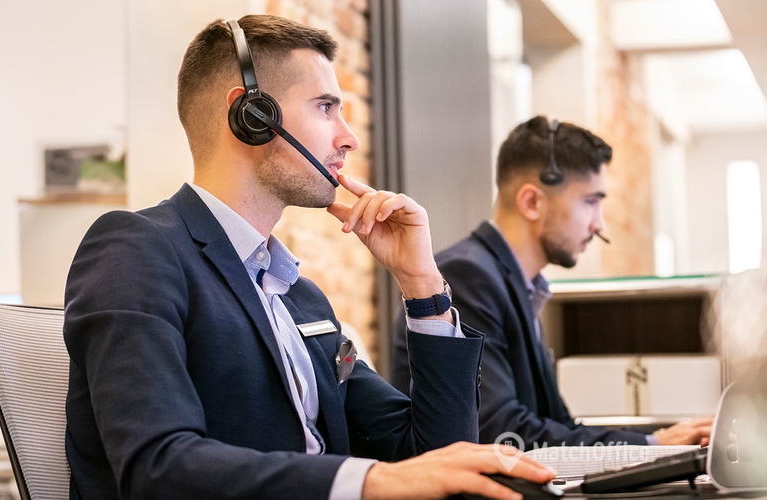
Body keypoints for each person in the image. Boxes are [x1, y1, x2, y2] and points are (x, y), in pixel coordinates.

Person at [62, 15, 555, 500]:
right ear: (252, 116)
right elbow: (158, 468)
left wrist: (421, 284)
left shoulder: (299, 297)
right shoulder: (135, 249)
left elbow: (434, 455)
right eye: (325, 108)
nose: (349, 137)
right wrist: (371, 482)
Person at [390, 116, 713, 450]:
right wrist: (649, 445)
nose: (599, 224)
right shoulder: (466, 277)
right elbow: (500, 433)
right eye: (591, 201)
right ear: (532, 202)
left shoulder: (520, 284)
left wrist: (653, 443)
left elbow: (557, 423)